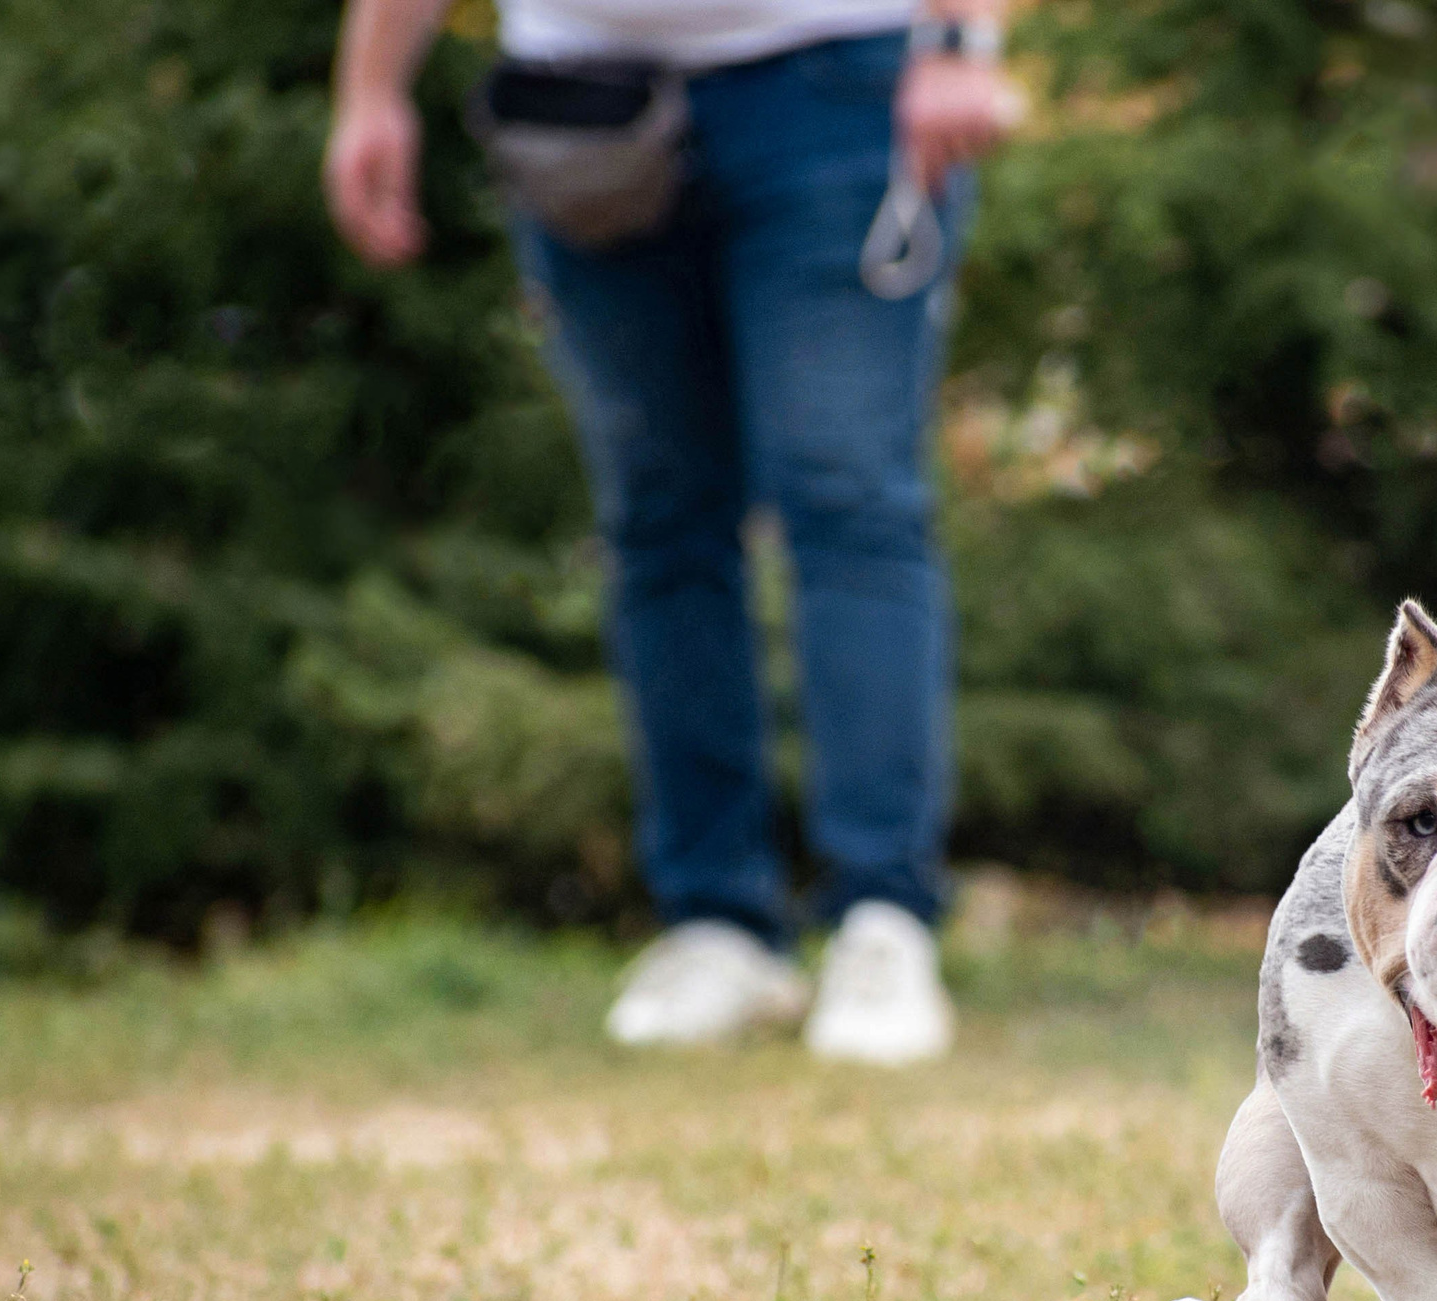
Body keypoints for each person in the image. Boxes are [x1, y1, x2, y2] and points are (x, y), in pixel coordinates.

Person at [324, 0, 1017, 1063]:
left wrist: (961, 40)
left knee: (849, 500)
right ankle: (716, 925)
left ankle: (881, 919)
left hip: (835, 81)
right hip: (578, 103)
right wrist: (371, 89)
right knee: (658, 521)